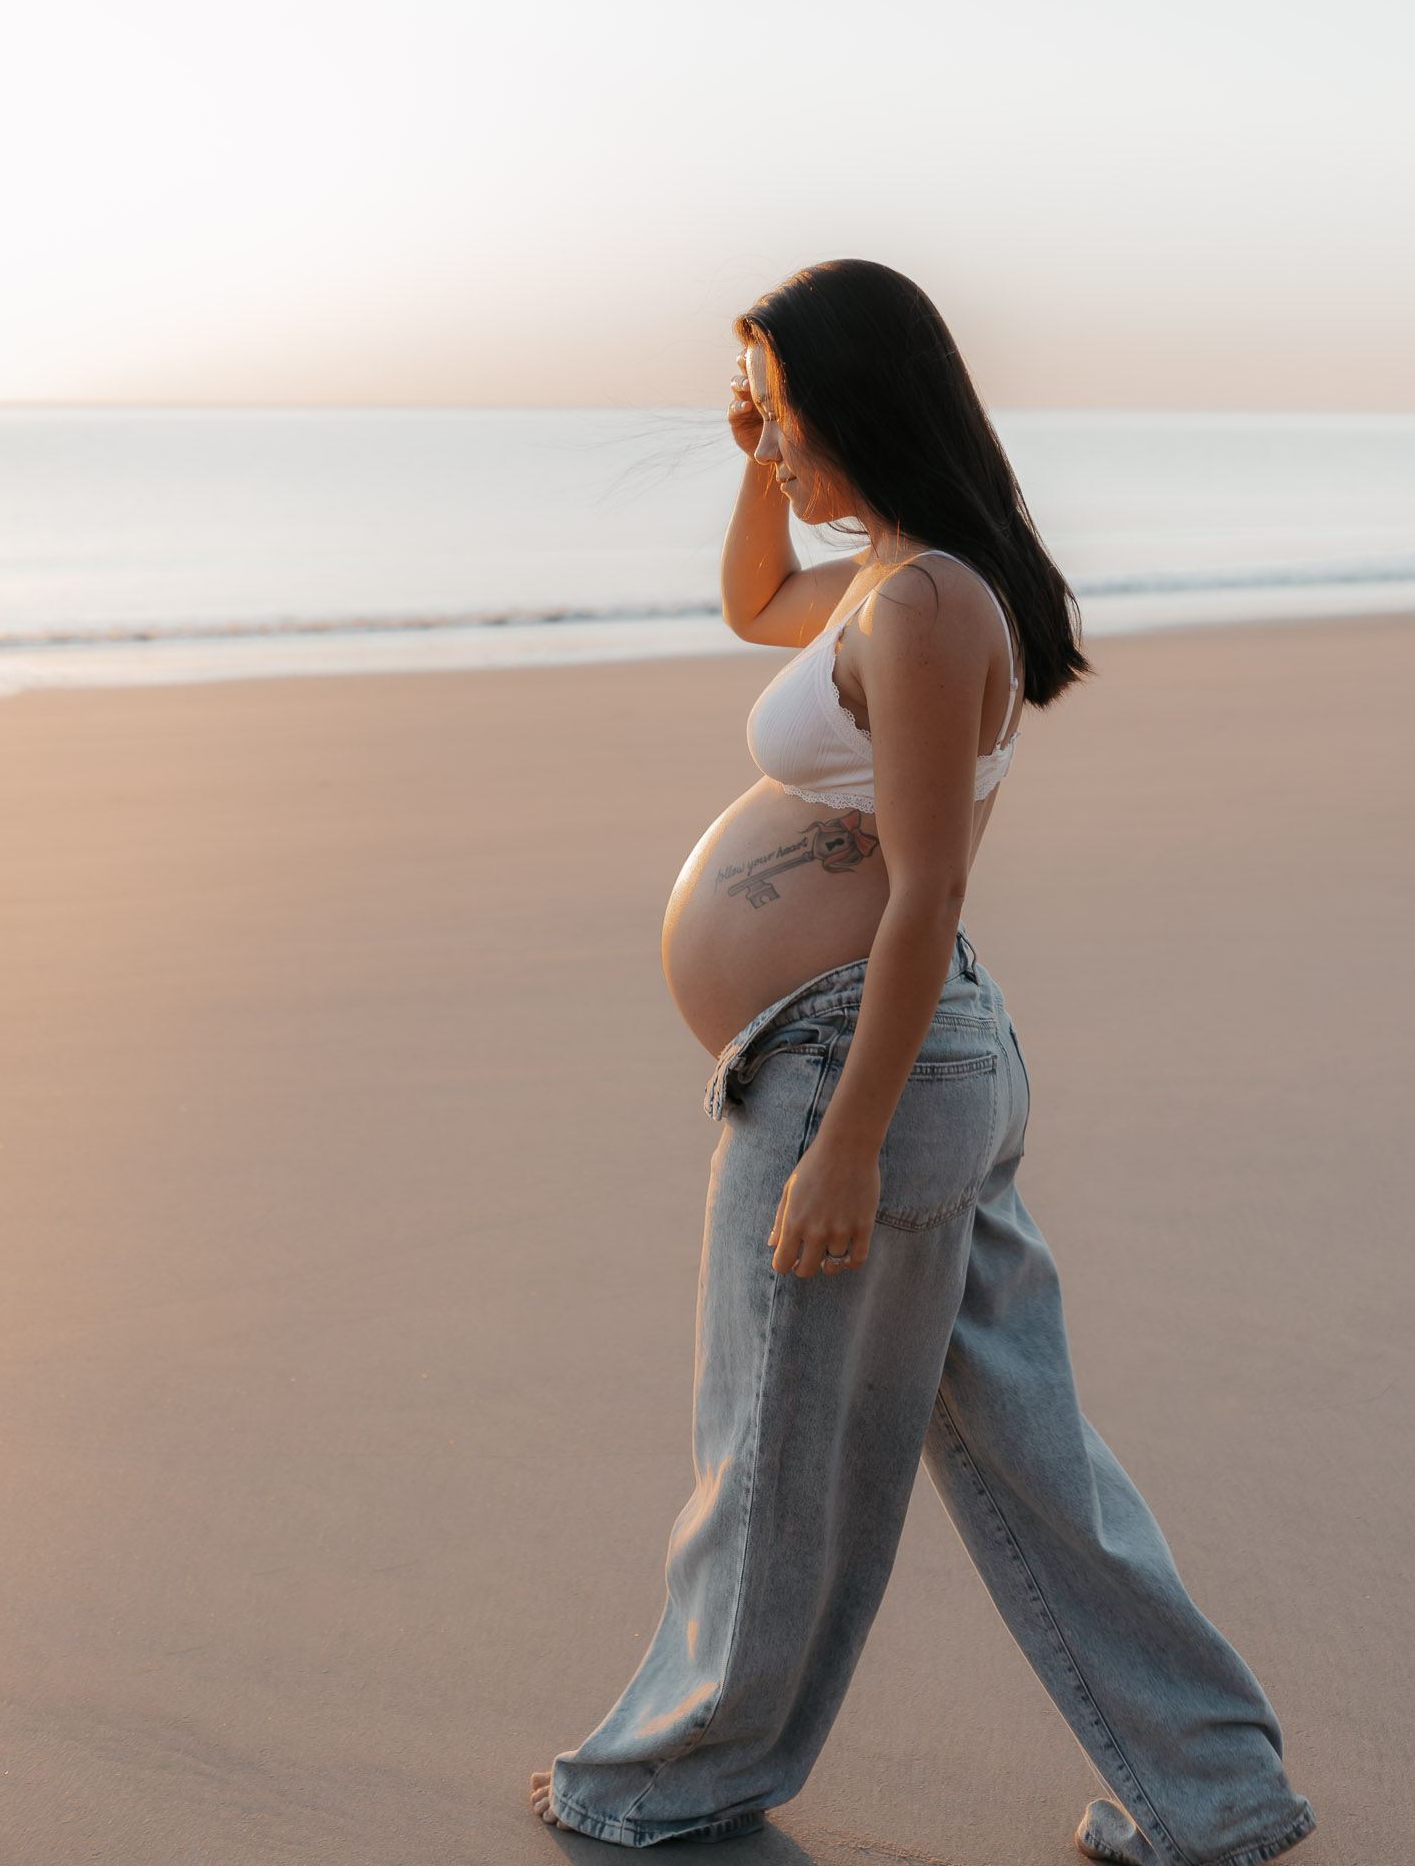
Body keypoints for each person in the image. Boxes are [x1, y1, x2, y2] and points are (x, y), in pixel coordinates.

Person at [529, 261, 1314, 1866]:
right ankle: (1212, 1786)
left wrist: (844, 1145)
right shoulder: (894, 581)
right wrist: (753, 458)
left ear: (863, 403)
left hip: (859, 1068)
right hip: (884, 1060)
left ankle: (676, 1776)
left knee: (772, 1454)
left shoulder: (932, 603)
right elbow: (754, 604)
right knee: (1029, 1461)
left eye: (785, 412)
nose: (773, 445)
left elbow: (926, 886)